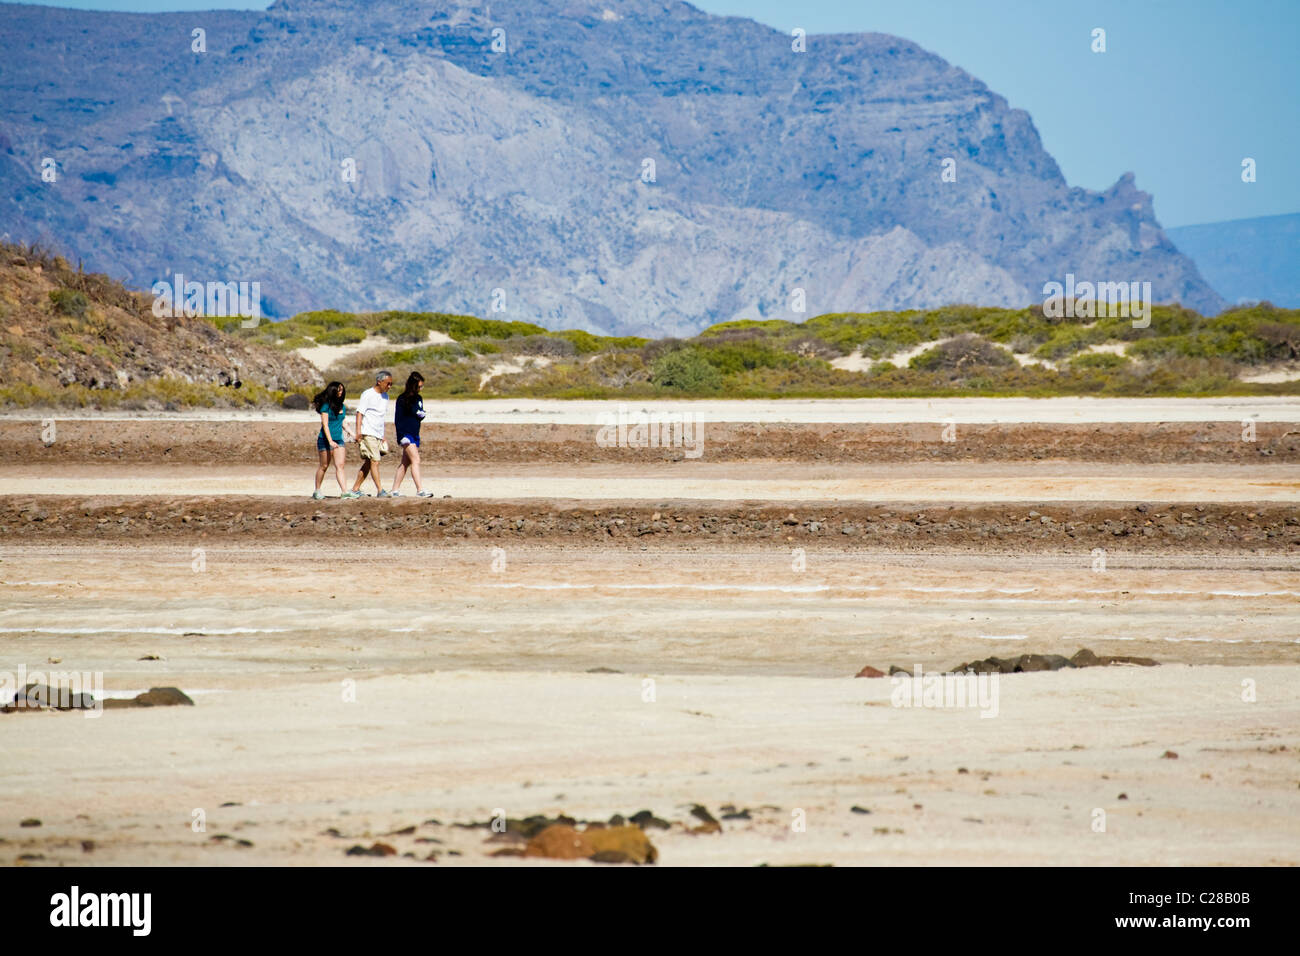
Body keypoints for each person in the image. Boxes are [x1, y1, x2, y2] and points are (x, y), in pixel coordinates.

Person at [349, 370, 393, 498]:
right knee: (375, 461)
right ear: (379, 382)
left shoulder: (386, 397)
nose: (389, 386)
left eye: (391, 384)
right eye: (388, 383)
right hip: (368, 432)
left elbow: (381, 417)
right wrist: (358, 433)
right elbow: (359, 413)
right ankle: (380, 490)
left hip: (378, 434)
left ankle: (355, 489)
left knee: (369, 463)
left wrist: (383, 435)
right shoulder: (368, 394)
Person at [390, 371, 433, 497]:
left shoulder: (419, 398)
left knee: (405, 462)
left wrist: (421, 415)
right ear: (413, 385)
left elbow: (417, 414)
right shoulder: (402, 399)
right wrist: (401, 436)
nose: (421, 389)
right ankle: (420, 490)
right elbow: (398, 419)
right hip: (406, 435)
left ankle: (394, 490)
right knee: (416, 460)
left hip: (415, 433)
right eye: (419, 386)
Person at [311, 381, 354, 499]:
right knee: (324, 466)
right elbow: (325, 425)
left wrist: (352, 434)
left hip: (339, 439)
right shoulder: (326, 406)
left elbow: (343, 422)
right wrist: (330, 441)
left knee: (340, 465)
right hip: (325, 439)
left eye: (342, 390)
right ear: (332, 391)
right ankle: (317, 490)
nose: (341, 392)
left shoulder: (342, 406)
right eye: (338, 390)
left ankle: (345, 491)